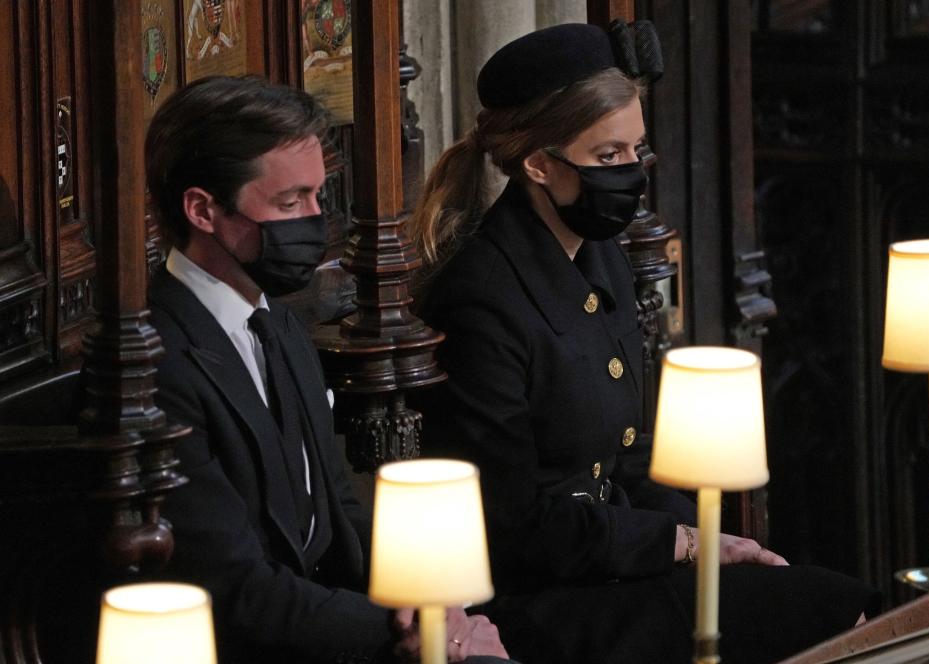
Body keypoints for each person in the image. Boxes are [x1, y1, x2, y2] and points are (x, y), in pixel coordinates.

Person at [408, 21, 877, 664]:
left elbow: (628, 463)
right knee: (831, 613)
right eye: (608, 156)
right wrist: (682, 546)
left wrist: (715, 543)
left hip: (613, 561)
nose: (631, 173)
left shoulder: (602, 256)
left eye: (636, 150)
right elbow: (511, 526)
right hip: (537, 596)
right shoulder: (481, 296)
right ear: (539, 165)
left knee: (841, 607)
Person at [145, 75, 511, 664]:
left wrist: (430, 605)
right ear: (202, 209)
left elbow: (337, 510)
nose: (314, 223)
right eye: (290, 203)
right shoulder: (159, 363)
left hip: (336, 623)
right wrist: (410, 640)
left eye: (319, 197)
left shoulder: (281, 325)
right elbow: (235, 589)